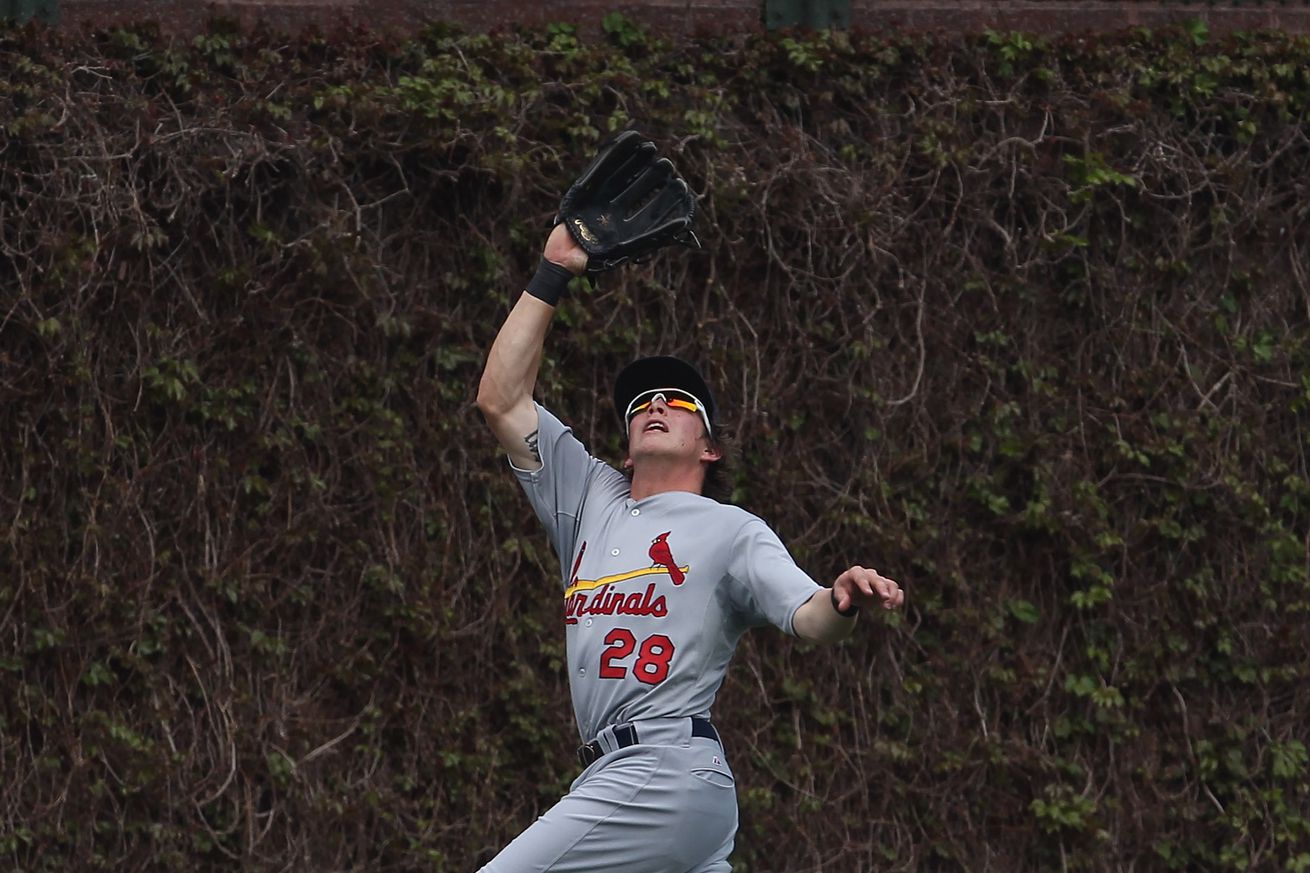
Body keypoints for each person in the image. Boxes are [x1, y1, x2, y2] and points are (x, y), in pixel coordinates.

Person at [475, 224, 905, 873]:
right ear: (625, 446)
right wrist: (553, 270)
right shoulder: (590, 496)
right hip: (650, 785)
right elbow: (501, 400)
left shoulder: (730, 530)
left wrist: (840, 598)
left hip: (661, 770)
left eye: (677, 401)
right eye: (641, 402)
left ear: (710, 446)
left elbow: (809, 617)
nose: (654, 404)